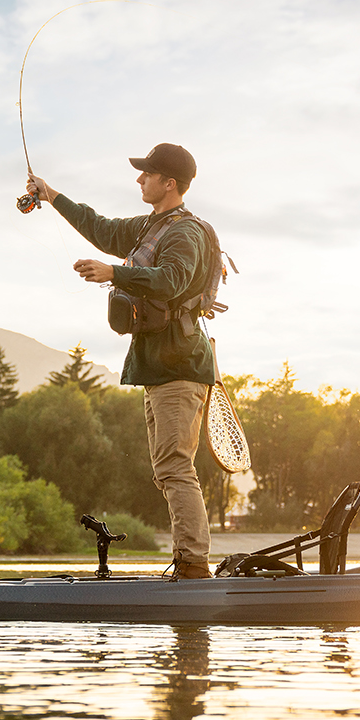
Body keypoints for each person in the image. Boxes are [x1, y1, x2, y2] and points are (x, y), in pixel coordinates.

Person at [27, 143, 217, 580]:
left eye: (147, 174)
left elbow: (170, 282)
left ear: (169, 183)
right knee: (167, 469)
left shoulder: (184, 234)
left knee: (174, 467)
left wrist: (114, 272)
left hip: (180, 367)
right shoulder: (149, 227)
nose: (139, 180)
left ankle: (193, 568)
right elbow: (100, 227)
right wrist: (52, 195)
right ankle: (191, 563)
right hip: (159, 367)